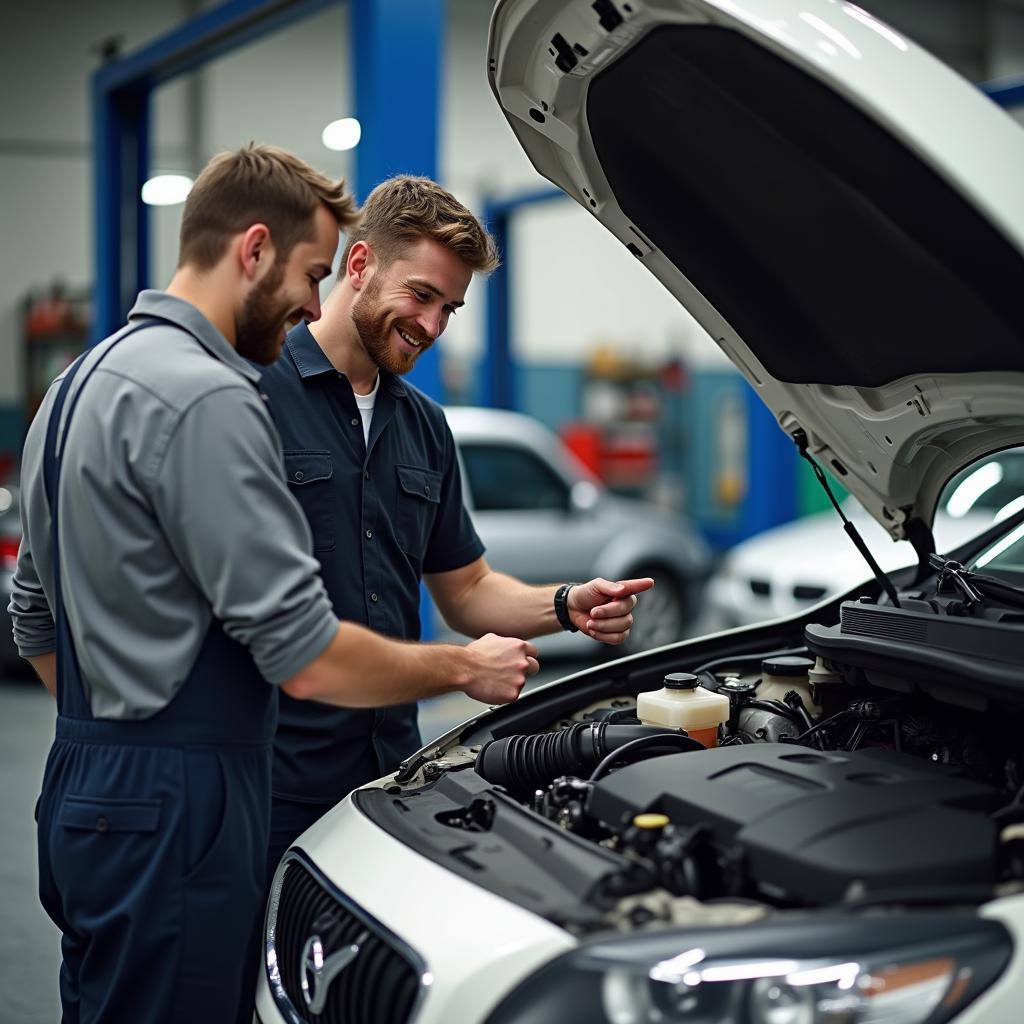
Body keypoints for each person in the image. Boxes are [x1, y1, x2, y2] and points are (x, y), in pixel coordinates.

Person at [9, 146, 538, 1024]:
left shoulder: (76, 383)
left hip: (87, 784)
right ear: (253, 250)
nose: (308, 302)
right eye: (310, 273)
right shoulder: (216, 396)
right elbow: (304, 656)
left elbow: (33, 614)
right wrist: (457, 670)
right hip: (192, 795)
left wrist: (115, 734)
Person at [259, 174, 654, 875]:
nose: (434, 326)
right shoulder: (256, 398)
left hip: (388, 778)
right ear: (359, 265)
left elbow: (466, 589)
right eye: (421, 295)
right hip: (270, 785)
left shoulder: (424, 428)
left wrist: (566, 605)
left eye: (450, 308)